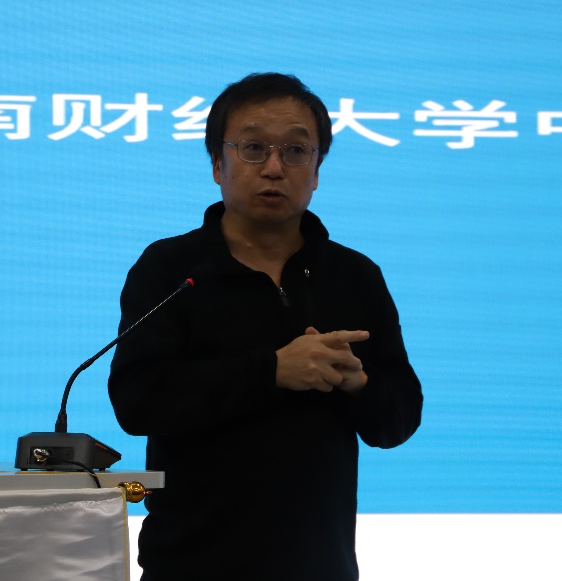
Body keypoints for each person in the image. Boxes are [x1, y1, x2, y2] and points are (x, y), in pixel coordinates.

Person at [108, 73, 422, 580]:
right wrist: (271, 371)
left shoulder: (355, 276)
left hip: (320, 566)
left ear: (316, 170)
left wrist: (358, 383)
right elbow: (137, 400)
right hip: (189, 565)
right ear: (218, 164)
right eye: (253, 148)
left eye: (296, 151)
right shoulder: (171, 269)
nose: (274, 167)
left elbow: (399, 420)